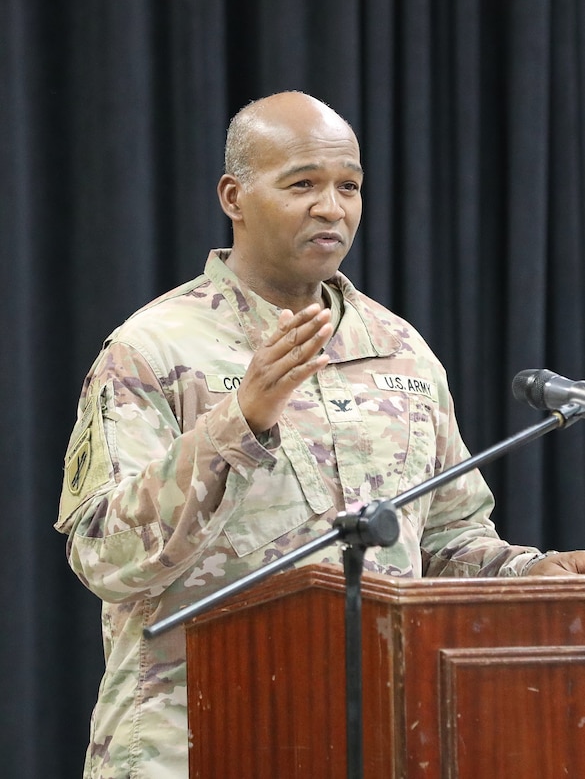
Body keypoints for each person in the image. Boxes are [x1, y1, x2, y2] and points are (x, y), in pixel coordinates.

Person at [56, 91, 585, 779]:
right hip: (188, 741)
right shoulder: (152, 348)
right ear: (234, 196)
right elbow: (103, 555)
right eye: (302, 184)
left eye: (348, 186)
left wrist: (528, 575)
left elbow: (447, 540)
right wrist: (237, 422)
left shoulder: (400, 349)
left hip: (375, 737)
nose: (331, 208)